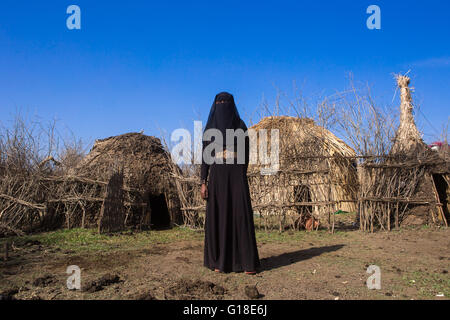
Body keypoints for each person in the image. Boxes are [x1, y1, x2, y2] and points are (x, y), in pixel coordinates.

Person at [201, 92, 260, 274]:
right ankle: (219, 262)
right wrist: (203, 182)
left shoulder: (240, 126)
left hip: (236, 175)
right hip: (217, 176)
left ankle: (246, 263)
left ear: (232, 105)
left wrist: (241, 174)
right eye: (220, 102)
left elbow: (246, 154)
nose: (223, 105)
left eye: (226, 102)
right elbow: (205, 158)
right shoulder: (210, 129)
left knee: (240, 216)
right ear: (215, 105)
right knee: (219, 216)